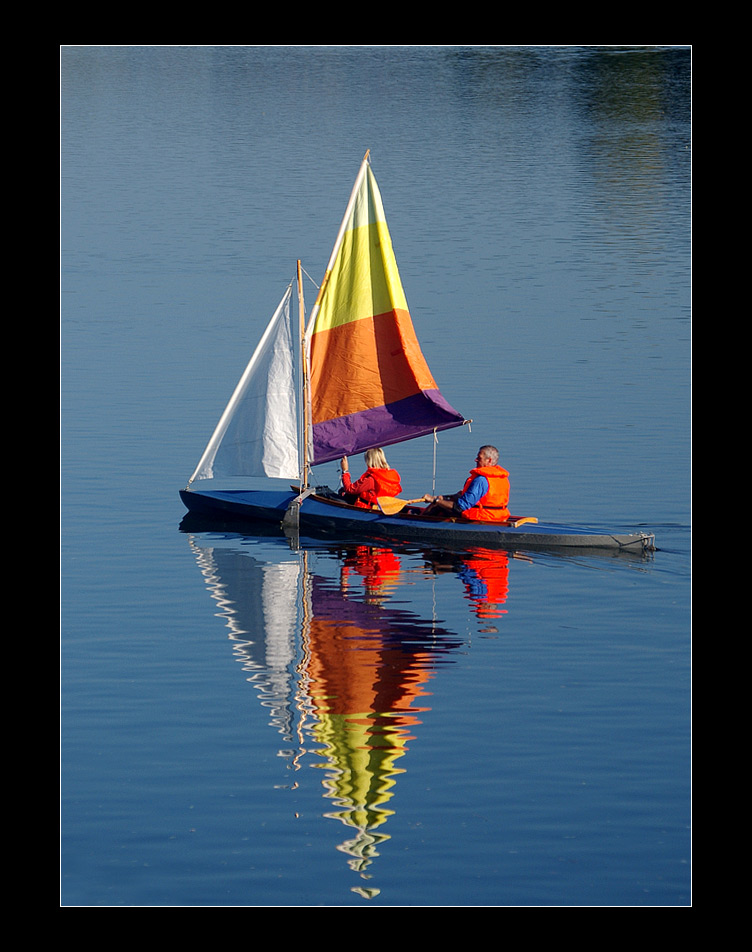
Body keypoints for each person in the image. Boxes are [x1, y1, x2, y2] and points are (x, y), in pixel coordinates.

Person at [424, 445, 510, 523]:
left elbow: (461, 507)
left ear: (489, 460)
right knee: (448, 501)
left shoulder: (481, 480)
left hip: (482, 518)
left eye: (479, 458)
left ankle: (419, 523)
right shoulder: (501, 478)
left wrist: (434, 500)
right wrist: (452, 497)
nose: (475, 460)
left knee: (437, 506)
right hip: (498, 517)